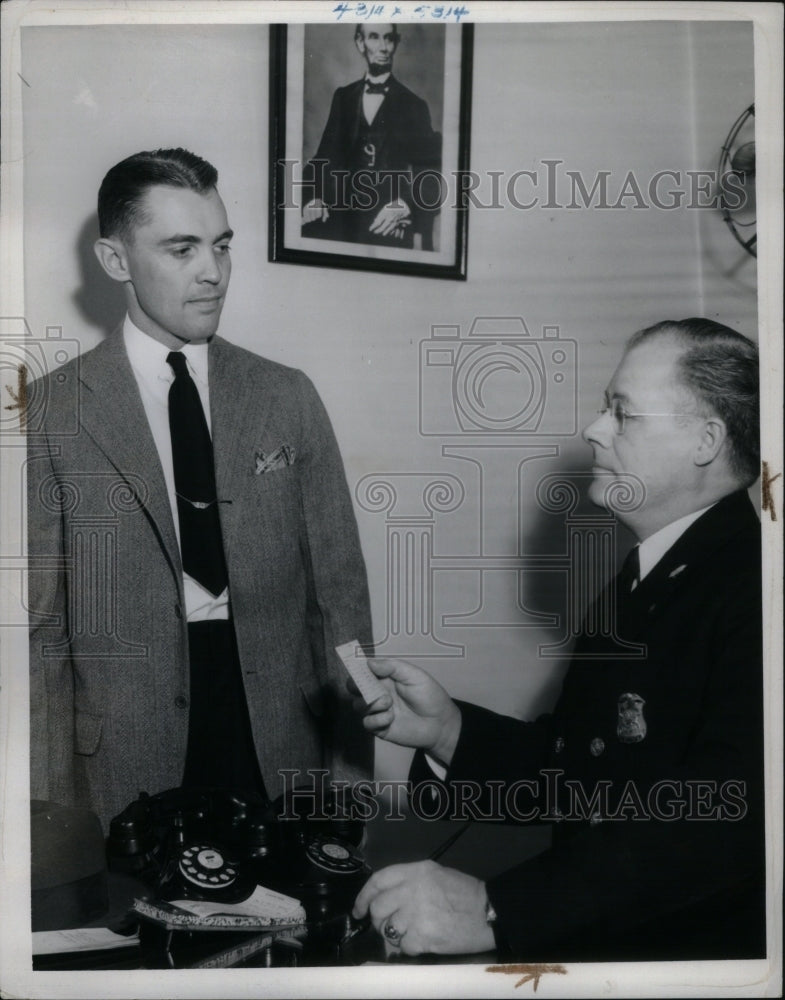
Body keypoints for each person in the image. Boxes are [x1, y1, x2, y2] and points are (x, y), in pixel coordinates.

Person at [352, 319, 765, 961]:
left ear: (705, 440)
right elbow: (590, 769)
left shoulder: (759, 586)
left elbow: (729, 824)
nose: (594, 430)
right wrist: (447, 731)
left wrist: (497, 909)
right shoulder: (645, 575)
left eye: (622, 414)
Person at [27, 148, 373, 830]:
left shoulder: (286, 396)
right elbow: (41, 640)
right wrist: (51, 818)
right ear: (116, 260)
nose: (212, 272)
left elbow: (341, 605)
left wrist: (350, 787)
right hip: (124, 775)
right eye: (181, 249)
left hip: (280, 756)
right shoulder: (48, 415)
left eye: (220, 246)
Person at [302, 24, 442, 249]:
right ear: (360, 42)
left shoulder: (414, 106)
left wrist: (405, 205)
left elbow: (430, 174)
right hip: (340, 223)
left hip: (387, 227)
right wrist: (312, 197)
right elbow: (322, 160)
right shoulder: (343, 98)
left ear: (396, 43)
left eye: (389, 39)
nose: (383, 47)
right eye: (375, 38)